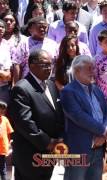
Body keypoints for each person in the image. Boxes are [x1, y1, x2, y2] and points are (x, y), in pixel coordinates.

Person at [9, 49, 64, 180]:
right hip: (29, 156)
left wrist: (60, 138)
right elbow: (25, 123)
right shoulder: (21, 88)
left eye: (51, 64)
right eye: (45, 64)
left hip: (49, 154)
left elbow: (58, 114)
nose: (49, 68)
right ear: (31, 65)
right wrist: (48, 142)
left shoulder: (51, 84)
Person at [61, 55, 107, 180]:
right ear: (77, 71)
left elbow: (106, 113)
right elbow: (78, 116)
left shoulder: (96, 90)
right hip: (78, 149)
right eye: (89, 68)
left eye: (93, 68)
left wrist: (106, 131)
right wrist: (103, 131)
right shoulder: (68, 91)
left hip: (98, 148)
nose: (93, 72)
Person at [12, 16, 58, 83]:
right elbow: (17, 65)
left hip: (49, 81)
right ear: (30, 29)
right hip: (29, 82)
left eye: (45, 27)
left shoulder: (53, 44)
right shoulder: (24, 43)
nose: (42, 29)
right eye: (40, 27)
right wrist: (16, 83)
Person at [0, 101, 13, 180]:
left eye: (3, 110)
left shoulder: (5, 119)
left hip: (2, 149)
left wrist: (9, 144)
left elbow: (9, 133)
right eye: (1, 109)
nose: (2, 111)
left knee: (2, 169)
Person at [0, 19, 12, 104]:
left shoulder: (6, 45)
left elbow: (7, 76)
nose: (0, 29)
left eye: (2, 27)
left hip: (3, 88)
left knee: (2, 116)